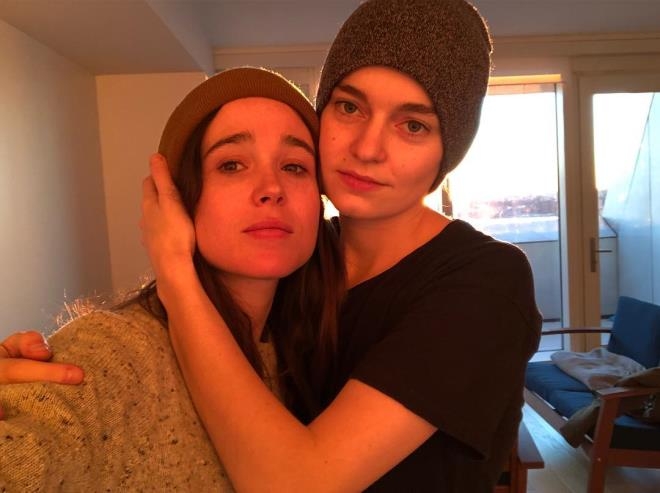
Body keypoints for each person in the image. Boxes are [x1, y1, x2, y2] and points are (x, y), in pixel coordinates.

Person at [3, 0, 542, 490]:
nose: (367, 148)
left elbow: (298, 482)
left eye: (413, 126)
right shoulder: (293, 263)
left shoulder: (485, 282)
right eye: (349, 107)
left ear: (448, 152)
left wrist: (174, 272)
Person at [0, 66, 343, 491]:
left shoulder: (314, 346)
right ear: (177, 200)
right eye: (232, 164)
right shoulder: (112, 351)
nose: (272, 187)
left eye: (294, 166)